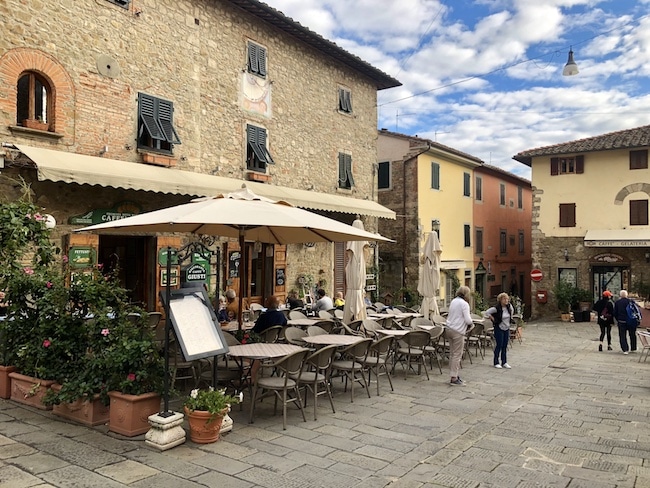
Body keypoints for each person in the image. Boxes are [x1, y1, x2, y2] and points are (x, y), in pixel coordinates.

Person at [446, 285, 473, 385]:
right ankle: (454, 377)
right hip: (458, 330)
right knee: (457, 354)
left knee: (452, 353)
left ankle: (454, 374)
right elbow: (468, 319)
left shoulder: (453, 301)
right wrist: (471, 324)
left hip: (449, 328)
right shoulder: (464, 304)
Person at [484, 292, 514, 369]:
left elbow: (511, 313)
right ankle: (496, 362)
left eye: (507, 299)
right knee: (499, 345)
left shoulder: (509, 307)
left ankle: (504, 362)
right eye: (504, 299)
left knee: (505, 345)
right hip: (499, 327)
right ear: (500, 300)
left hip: (506, 328)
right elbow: (487, 312)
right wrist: (492, 318)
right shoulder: (496, 308)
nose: (506, 300)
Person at [614, 289, 637, 354]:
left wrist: (617, 319)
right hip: (631, 320)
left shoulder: (617, 302)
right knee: (632, 334)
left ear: (620, 295)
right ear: (627, 295)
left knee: (622, 335)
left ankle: (625, 349)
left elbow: (615, 312)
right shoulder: (631, 301)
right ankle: (633, 348)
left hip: (621, 321)